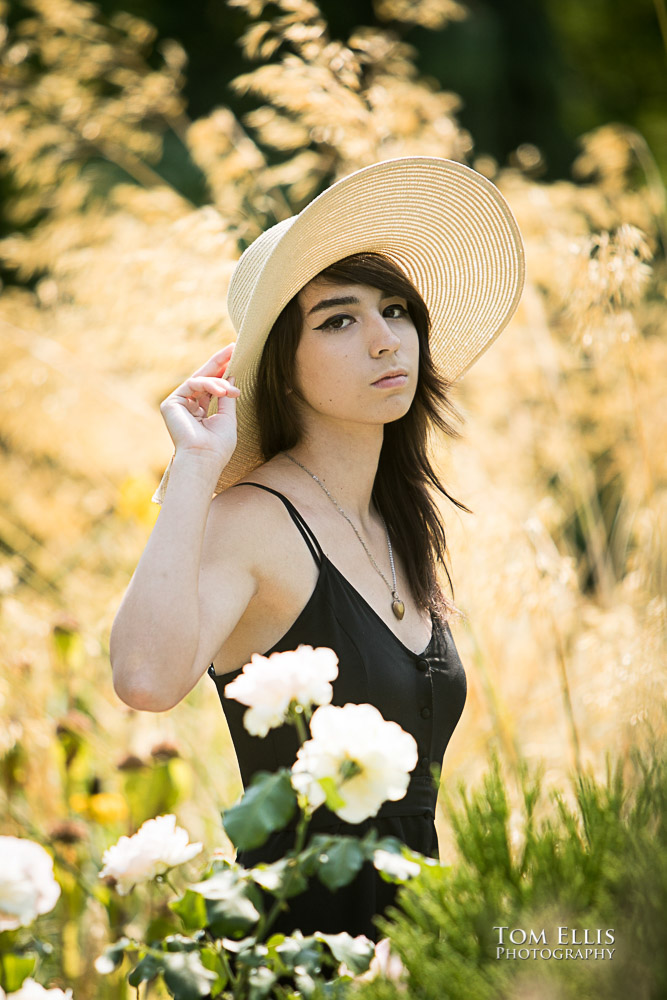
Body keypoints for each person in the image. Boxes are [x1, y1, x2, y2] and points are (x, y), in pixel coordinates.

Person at [110, 156, 525, 941]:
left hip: (407, 950)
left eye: (395, 310)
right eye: (338, 320)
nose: (382, 340)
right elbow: (143, 679)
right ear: (285, 369)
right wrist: (194, 470)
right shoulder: (255, 519)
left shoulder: (396, 525)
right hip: (297, 958)